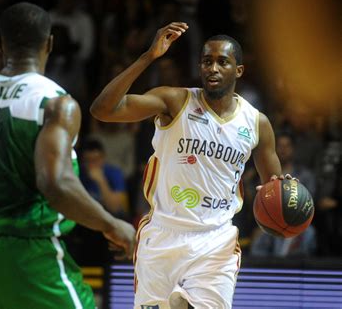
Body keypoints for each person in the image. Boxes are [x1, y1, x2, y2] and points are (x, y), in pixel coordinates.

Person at [0, 2, 135, 309]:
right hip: (24, 251)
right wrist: (111, 224)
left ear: (1, 45)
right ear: (50, 43)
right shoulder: (55, 102)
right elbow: (54, 183)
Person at [90, 22, 292, 309]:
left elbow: (275, 187)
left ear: (239, 71)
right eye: (207, 61)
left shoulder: (256, 123)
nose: (213, 68)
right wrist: (148, 57)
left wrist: (283, 193)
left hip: (215, 241)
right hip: (162, 234)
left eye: (223, 62)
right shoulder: (175, 100)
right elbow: (103, 110)